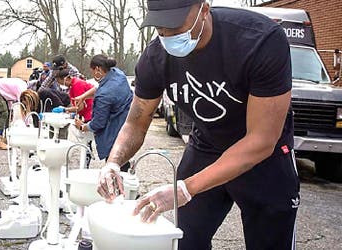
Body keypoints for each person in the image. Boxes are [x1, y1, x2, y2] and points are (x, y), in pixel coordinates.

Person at [96, 1, 299, 249]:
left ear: (204, 9)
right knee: (185, 239)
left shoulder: (259, 41)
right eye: (161, 28)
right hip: (207, 145)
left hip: (264, 158)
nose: (168, 36)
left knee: (269, 242)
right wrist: (113, 162)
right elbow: (136, 123)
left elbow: (261, 140)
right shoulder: (155, 58)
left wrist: (186, 188)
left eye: (176, 25)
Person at [74, 54, 133, 172]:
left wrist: (82, 126)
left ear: (97, 69)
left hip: (114, 134)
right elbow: (101, 87)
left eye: (92, 71)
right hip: (128, 127)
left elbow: (98, 123)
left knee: (114, 168)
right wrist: (84, 96)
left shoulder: (104, 95)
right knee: (123, 162)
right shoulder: (118, 74)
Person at [54, 69, 95, 166]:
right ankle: (85, 162)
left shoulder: (77, 85)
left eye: (60, 82)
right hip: (86, 113)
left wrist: (65, 110)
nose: (60, 85)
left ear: (66, 79)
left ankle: (85, 163)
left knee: (86, 141)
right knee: (86, 141)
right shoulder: (74, 85)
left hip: (90, 114)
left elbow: (79, 107)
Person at [0, 77, 27, 150]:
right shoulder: (22, 89)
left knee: (8, 114)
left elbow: (8, 97)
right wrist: (26, 123)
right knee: (4, 113)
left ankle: (6, 138)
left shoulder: (21, 86)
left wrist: (11, 111)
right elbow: (22, 107)